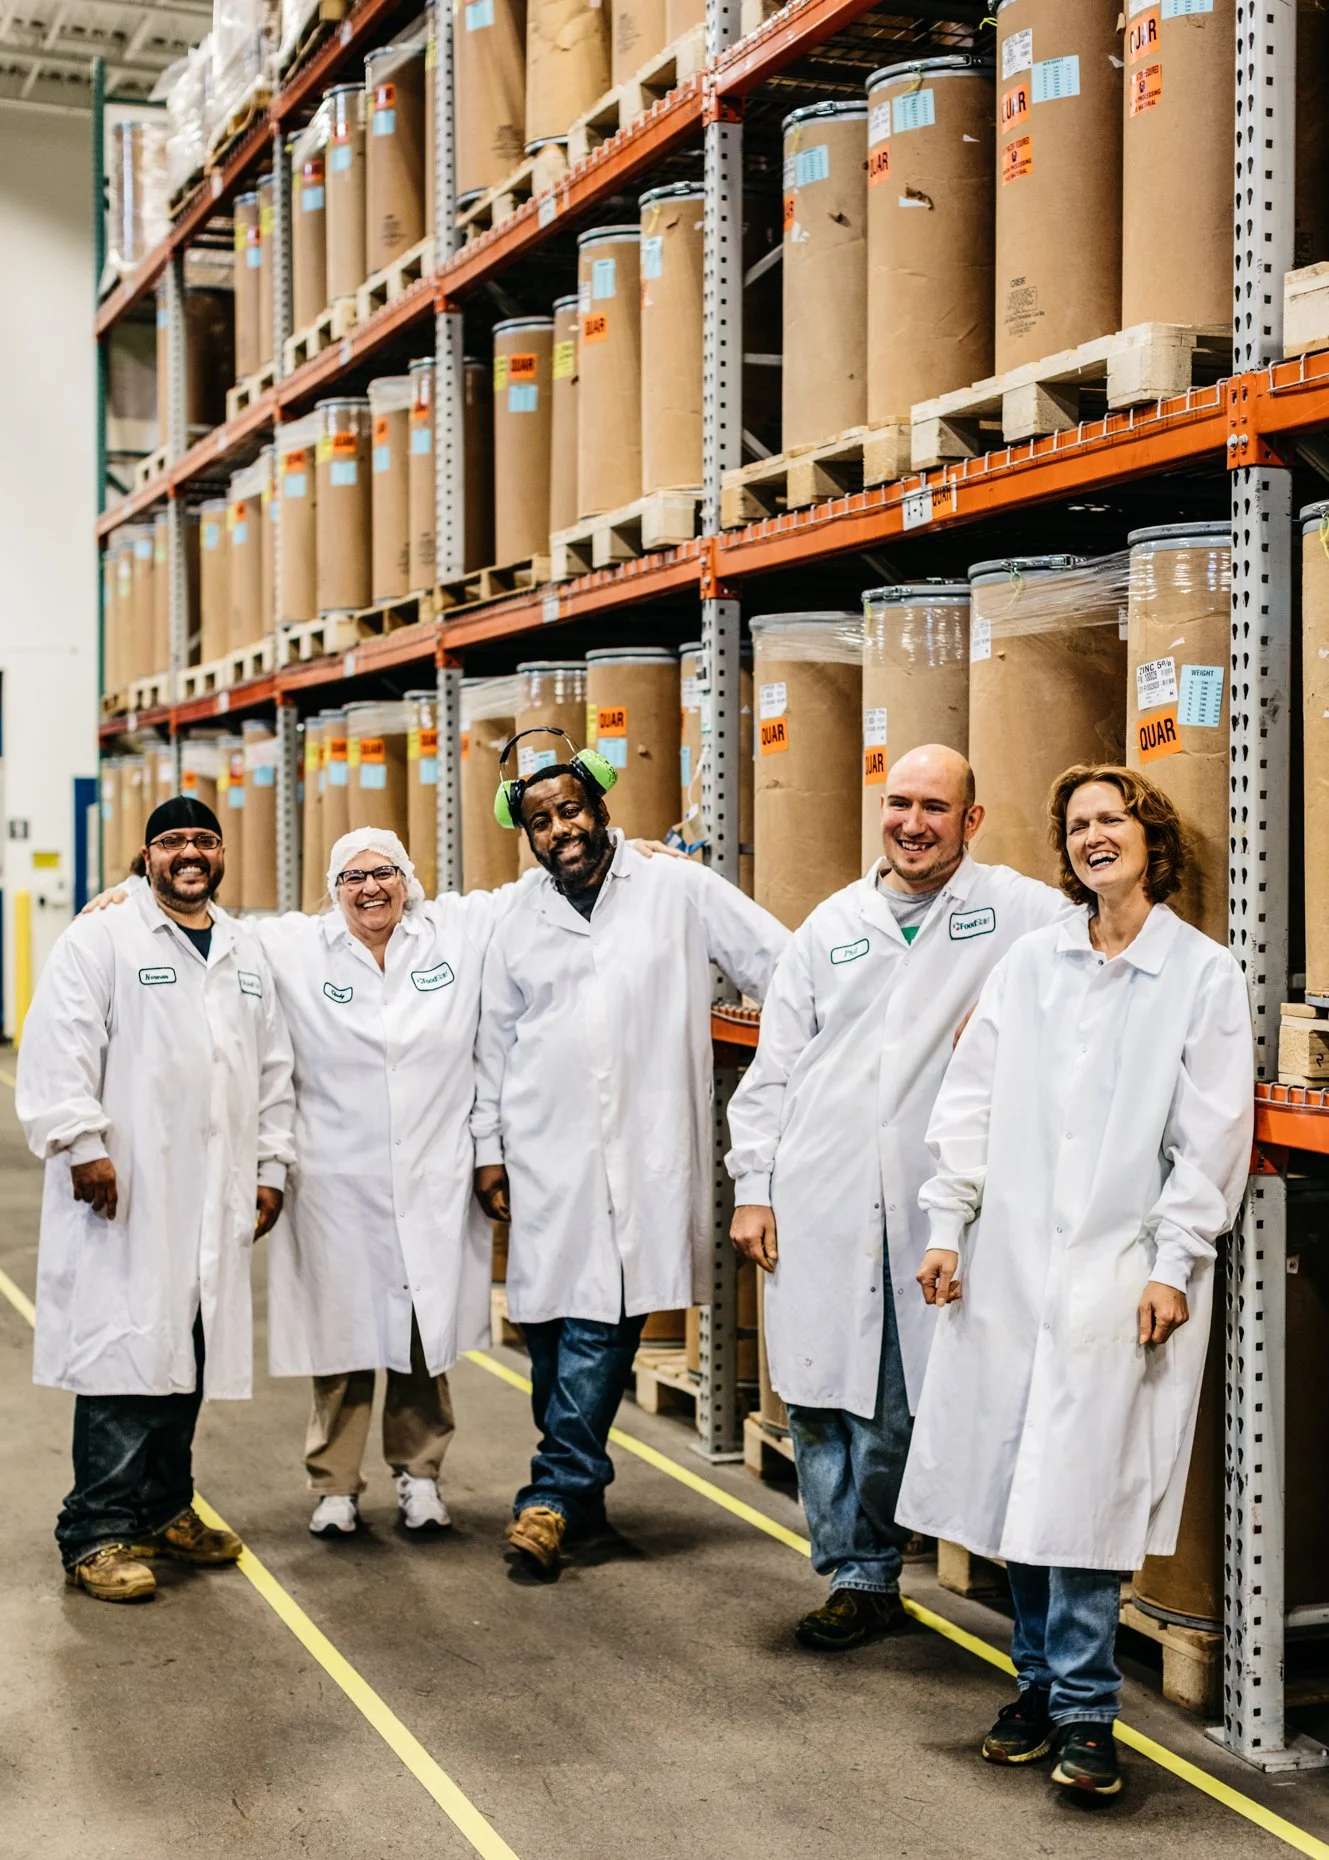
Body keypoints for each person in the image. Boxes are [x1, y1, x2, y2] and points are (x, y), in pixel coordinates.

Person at [897, 764, 1254, 1798]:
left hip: (1119, 1268)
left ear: (1152, 836)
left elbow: (1213, 1138)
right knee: (1024, 1486)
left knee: (1084, 1496)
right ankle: (1038, 1688)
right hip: (1010, 1262)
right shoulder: (1029, 964)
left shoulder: (1199, 974)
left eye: (1114, 819)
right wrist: (946, 1226)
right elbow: (970, 1100)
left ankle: (1089, 1714)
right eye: (1078, 825)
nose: (1095, 837)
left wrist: (1176, 1261)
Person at [725, 745, 1067, 1651]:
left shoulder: (1016, 911)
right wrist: (752, 1188)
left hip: (931, 1202)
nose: (912, 824)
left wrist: (1006, 1007)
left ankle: (868, 1570)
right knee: (813, 1392)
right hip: (817, 1189)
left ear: (971, 820)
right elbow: (771, 1073)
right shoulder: (830, 925)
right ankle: (854, 1572)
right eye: (898, 803)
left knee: (892, 1398)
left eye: (934, 808)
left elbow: (1093, 947)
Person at [472, 730, 789, 1573]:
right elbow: (491, 1042)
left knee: (603, 1323)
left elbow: (784, 968)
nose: (559, 831)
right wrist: (488, 1148)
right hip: (546, 1156)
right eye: (539, 822)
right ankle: (583, 1499)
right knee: (547, 1328)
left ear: (600, 805)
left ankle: (550, 1494)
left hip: (643, 1154)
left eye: (570, 810)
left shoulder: (676, 888)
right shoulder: (514, 916)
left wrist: (787, 1060)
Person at [17, 796, 295, 1603]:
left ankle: (166, 1508)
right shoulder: (101, 936)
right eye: (172, 841)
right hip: (127, 1195)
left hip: (212, 1198)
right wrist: (83, 1144)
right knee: (123, 1358)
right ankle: (95, 1531)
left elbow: (272, 1069)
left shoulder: (245, 948)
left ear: (219, 853)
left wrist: (271, 1167)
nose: (190, 853)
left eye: (204, 840)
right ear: (145, 856)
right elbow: (58, 1046)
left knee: (188, 1353)